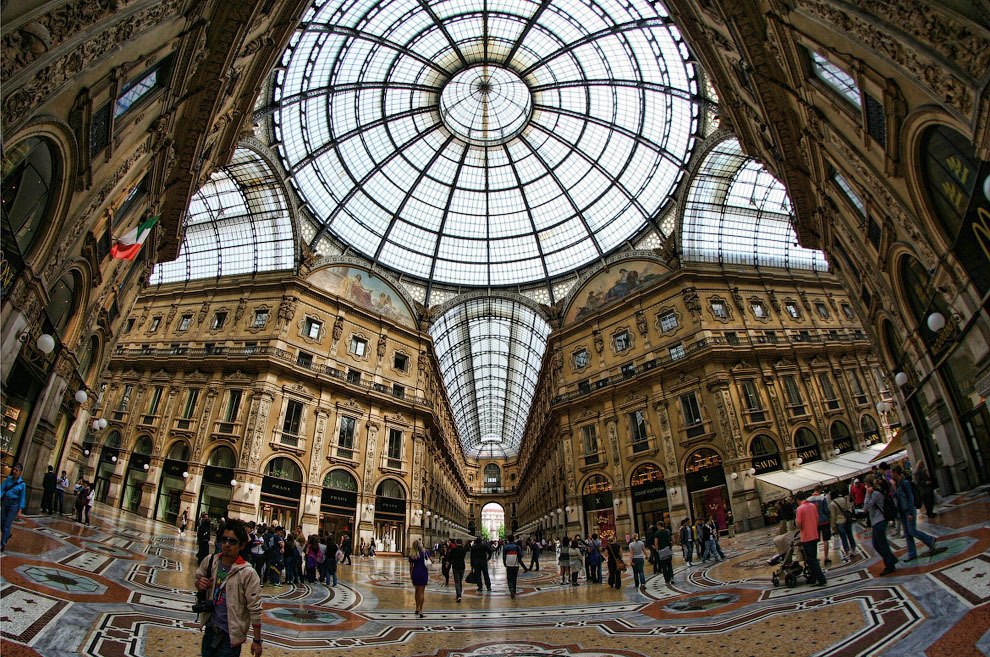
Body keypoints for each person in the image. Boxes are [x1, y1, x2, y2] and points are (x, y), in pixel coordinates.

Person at [194, 518, 263, 656]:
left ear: (242, 545)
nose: (227, 544)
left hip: (230, 638)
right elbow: (198, 579)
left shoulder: (248, 573)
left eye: (232, 541)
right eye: (224, 539)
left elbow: (255, 608)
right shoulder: (210, 561)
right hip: (210, 630)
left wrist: (257, 640)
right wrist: (199, 583)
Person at [892, 465, 941, 562]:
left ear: (896, 472)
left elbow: (910, 498)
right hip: (902, 512)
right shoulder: (897, 484)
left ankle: (930, 540)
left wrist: (910, 512)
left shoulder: (905, 483)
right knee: (907, 533)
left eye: (892, 473)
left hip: (908, 511)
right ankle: (912, 553)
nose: (891, 475)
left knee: (912, 531)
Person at [864, 474, 898, 575]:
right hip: (876, 522)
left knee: (882, 545)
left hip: (879, 521)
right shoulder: (874, 493)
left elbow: (866, 507)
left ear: (868, 484)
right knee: (876, 544)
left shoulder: (875, 494)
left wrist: (867, 494)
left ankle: (889, 566)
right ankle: (891, 559)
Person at [795, 490, 827, 587]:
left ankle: (821, 579)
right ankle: (812, 578)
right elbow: (817, 519)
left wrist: (798, 524)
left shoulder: (800, 509)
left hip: (806, 537)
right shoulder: (813, 506)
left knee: (811, 559)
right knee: (812, 557)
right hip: (815, 534)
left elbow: (799, 524)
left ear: (797, 500)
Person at [1, 463, 27, 552]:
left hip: (14, 505)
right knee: (1, 521)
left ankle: (2, 543)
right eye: (14, 469)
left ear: (20, 472)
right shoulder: (8, 479)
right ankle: (7, 535)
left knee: (7, 524)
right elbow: (2, 489)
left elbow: (22, 497)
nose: (14, 471)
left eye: (16, 470)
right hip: (5, 502)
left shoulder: (22, 484)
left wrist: (20, 510)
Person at [829, 486, 857, 562]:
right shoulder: (843, 499)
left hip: (839, 522)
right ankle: (854, 550)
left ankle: (847, 554)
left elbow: (833, 516)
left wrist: (833, 526)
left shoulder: (832, 504)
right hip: (847, 519)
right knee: (850, 535)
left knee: (843, 538)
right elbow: (848, 507)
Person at [808, 486, 832, 565]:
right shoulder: (822, 498)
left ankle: (815, 557)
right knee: (825, 540)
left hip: (815, 523)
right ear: (819, 490)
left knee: (815, 541)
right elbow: (826, 510)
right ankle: (826, 557)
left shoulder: (808, 500)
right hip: (824, 521)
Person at [408, 539, 430, 617]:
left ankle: (417, 608)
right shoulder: (425, 552)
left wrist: (411, 576)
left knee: (416, 591)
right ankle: (421, 610)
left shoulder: (412, 554)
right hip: (423, 572)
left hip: (415, 572)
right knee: (421, 592)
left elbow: (411, 567)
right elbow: (430, 561)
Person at [502, 534, 525, 598]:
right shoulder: (517, 546)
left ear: (508, 540)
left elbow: (504, 556)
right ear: (513, 539)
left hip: (509, 564)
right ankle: (514, 590)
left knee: (509, 578)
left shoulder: (505, 547)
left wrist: (504, 563)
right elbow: (521, 555)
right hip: (516, 564)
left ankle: (511, 588)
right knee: (514, 578)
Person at [655, 521, 674, 587]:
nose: (657, 527)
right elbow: (672, 539)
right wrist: (670, 547)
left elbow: (656, 542)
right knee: (669, 564)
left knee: (664, 566)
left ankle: (667, 581)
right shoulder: (667, 531)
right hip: (668, 549)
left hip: (661, 551)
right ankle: (672, 578)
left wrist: (657, 550)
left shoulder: (657, 533)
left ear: (659, 525)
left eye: (657, 525)